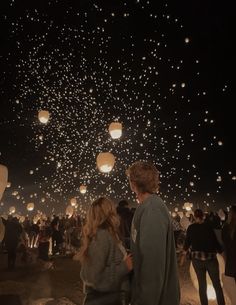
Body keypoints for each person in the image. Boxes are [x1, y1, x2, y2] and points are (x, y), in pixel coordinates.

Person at [126, 161, 180, 305]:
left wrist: (144, 300)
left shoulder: (152, 209)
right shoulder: (148, 207)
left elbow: (153, 264)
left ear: (133, 183)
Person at [79, 197, 133, 305]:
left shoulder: (109, 234)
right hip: (107, 300)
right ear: (108, 212)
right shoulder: (102, 236)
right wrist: (124, 267)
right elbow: (92, 276)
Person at [183, 209, 225, 305]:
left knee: (202, 285)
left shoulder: (191, 228)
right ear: (203, 216)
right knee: (217, 285)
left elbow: (186, 244)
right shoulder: (208, 227)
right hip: (210, 259)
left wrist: (183, 254)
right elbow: (215, 242)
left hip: (197, 260)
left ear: (194, 216)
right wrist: (222, 253)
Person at [221, 205, 236, 304]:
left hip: (231, 263)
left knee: (233, 290)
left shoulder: (225, 228)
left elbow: (224, 248)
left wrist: (225, 261)